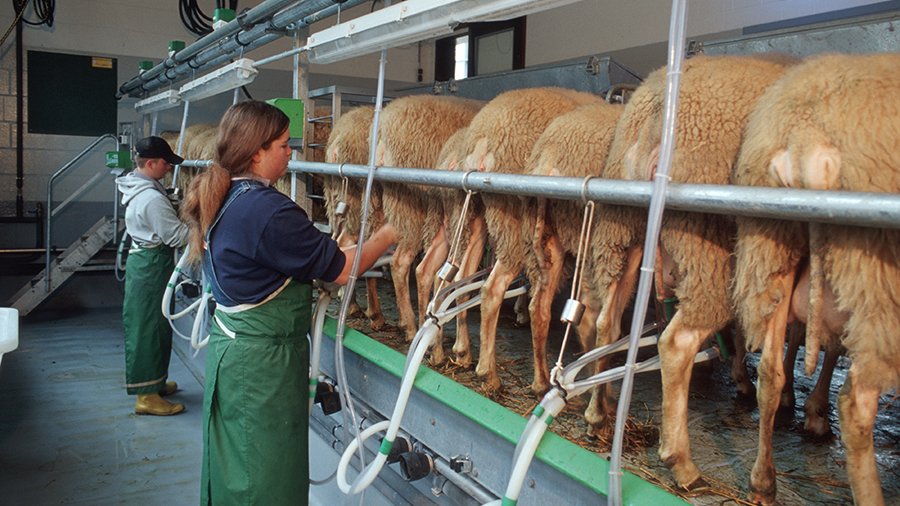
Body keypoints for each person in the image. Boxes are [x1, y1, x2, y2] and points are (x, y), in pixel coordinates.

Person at [180, 101, 396, 505]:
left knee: (241, 465)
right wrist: (390, 232)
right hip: (262, 367)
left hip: (236, 354)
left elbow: (300, 254)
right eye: (284, 144)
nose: (291, 152)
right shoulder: (267, 210)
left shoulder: (229, 196)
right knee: (264, 474)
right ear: (257, 151)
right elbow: (343, 270)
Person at [115, 136, 190, 416]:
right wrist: (204, 228)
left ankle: (154, 383)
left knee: (157, 325)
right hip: (150, 267)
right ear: (150, 163)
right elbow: (176, 236)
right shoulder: (150, 198)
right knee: (146, 329)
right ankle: (145, 397)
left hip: (148, 263)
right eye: (165, 163)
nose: (169, 168)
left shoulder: (142, 185)